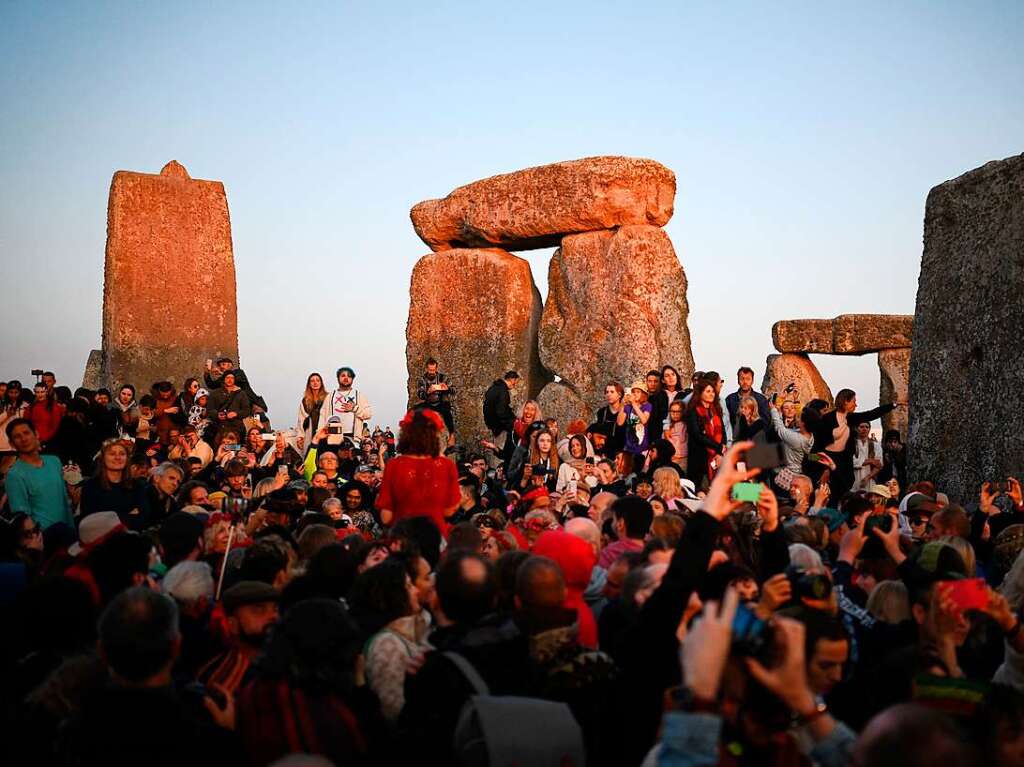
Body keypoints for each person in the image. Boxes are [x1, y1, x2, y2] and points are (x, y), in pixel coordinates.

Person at [350, 558, 429, 721]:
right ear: (393, 596)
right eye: (408, 586)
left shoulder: (408, 631)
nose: (416, 591)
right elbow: (392, 710)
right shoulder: (387, 644)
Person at [376, 409, 460, 535]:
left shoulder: (394, 465)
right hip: (435, 537)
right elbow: (449, 510)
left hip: (403, 537)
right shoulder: (446, 465)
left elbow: (386, 516)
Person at [813, 389, 899, 500]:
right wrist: (824, 469)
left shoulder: (850, 418)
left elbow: (871, 414)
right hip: (828, 464)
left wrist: (893, 405)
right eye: (854, 401)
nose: (856, 405)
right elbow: (817, 449)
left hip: (845, 468)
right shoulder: (826, 419)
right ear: (845, 402)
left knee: (847, 498)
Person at [4, 417, 74, 531]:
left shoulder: (54, 461)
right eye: (17, 436)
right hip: (43, 538)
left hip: (67, 533)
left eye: (26, 433)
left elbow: (65, 501)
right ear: (12, 443)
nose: (23, 439)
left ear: (36, 434)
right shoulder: (15, 475)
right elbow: (22, 517)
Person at [79, 438, 149, 522]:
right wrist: (127, 516)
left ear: (127, 459)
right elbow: (91, 521)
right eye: (112, 454)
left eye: (122, 454)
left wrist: (108, 518)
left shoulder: (137, 486)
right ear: (103, 458)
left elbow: (144, 518)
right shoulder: (91, 486)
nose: (117, 457)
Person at [685, 378, 725, 489]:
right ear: (700, 393)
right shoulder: (693, 411)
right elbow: (697, 435)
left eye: (713, 391)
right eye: (708, 391)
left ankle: (756, 499)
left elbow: (723, 433)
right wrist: (718, 447)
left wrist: (719, 452)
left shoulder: (716, 410)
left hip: (717, 456)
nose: (711, 394)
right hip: (700, 458)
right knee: (701, 491)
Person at [318, 367, 373, 446]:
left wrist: (355, 409)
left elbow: (368, 414)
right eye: (343, 376)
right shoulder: (330, 396)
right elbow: (322, 417)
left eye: (349, 376)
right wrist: (319, 435)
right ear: (338, 378)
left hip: (353, 438)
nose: (346, 378)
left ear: (352, 379)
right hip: (333, 437)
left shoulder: (359, 395)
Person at [416, 358, 457, 449]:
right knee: (414, 411)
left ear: (436, 368)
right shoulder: (422, 380)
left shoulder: (443, 378)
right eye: (430, 370)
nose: (431, 372)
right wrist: (428, 392)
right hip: (429, 403)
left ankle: (452, 435)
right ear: (427, 369)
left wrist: (447, 388)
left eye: (433, 370)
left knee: (447, 412)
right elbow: (420, 394)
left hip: (442, 403)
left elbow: (454, 390)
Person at [482, 370, 519, 461]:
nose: (515, 385)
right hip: (498, 425)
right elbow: (501, 412)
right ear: (511, 379)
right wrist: (512, 423)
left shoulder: (494, 387)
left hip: (491, 422)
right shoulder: (503, 391)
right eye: (515, 382)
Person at [206, 370, 252, 440]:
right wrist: (217, 415)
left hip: (237, 427)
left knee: (235, 448)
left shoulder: (241, 394)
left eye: (232, 378)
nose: (230, 380)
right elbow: (209, 410)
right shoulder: (215, 393)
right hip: (220, 426)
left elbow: (247, 410)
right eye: (227, 378)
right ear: (223, 379)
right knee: (220, 446)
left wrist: (236, 414)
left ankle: (235, 449)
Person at [725, 366, 770, 434]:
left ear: (752, 381)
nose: (745, 382)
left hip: (756, 438)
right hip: (735, 438)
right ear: (738, 381)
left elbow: (766, 422)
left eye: (748, 379)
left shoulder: (761, 399)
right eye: (742, 379)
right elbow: (726, 422)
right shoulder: (730, 399)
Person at [618, 380, 653, 459]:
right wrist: (622, 405)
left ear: (643, 394)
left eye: (638, 392)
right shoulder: (628, 407)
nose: (635, 394)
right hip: (629, 445)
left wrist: (634, 404)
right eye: (633, 392)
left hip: (642, 445)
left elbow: (644, 420)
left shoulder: (647, 406)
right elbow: (620, 422)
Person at [296, 372, 327, 453]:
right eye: (312, 381)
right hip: (310, 431)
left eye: (317, 380)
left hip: (324, 432)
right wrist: (300, 437)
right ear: (309, 384)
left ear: (321, 383)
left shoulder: (327, 398)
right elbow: (301, 419)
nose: (315, 383)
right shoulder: (305, 401)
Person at [594, 382, 627, 458]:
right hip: (605, 452)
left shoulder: (626, 411)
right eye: (607, 392)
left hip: (621, 452)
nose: (608, 394)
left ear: (619, 395)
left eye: (612, 392)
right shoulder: (602, 412)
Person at [28, 381, 64, 446]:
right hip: (33, 439)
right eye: (38, 392)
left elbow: (55, 426)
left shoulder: (54, 407)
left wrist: (45, 438)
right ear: (34, 392)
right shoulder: (31, 407)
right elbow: (27, 423)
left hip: (49, 441)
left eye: (42, 392)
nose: (40, 394)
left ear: (46, 392)